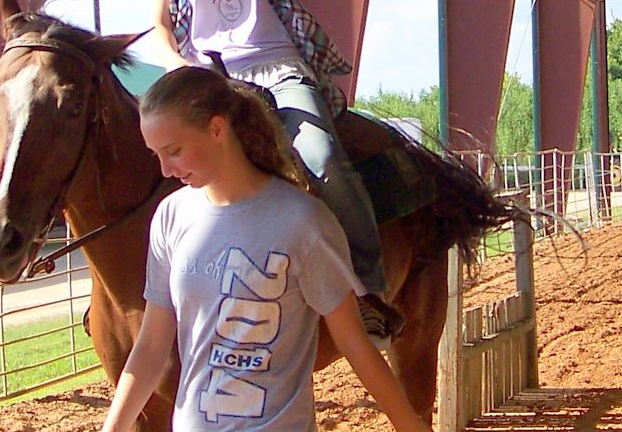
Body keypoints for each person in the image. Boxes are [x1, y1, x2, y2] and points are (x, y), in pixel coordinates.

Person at [146, 0, 401, 343]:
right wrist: (179, 66)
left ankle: (368, 290)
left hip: (275, 69)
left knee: (323, 159)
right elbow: (160, 26)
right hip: (207, 81)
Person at [100, 67, 429, 432]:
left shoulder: (302, 220)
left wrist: (409, 425)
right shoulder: (170, 216)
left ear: (217, 128)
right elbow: (150, 347)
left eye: (174, 151)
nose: (165, 170)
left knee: (324, 158)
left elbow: (354, 343)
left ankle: (372, 285)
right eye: (156, 155)